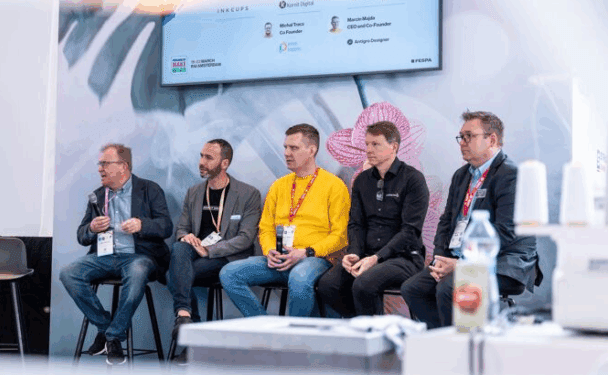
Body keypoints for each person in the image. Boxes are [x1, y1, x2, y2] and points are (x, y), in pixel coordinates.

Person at [401, 111, 542, 329]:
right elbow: (446, 221)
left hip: (504, 261)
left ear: (491, 139)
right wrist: (440, 258)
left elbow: (506, 232)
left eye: (469, 136)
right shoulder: (461, 175)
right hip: (458, 259)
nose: (462, 143)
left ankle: (461, 343)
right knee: (413, 289)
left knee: (448, 288)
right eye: (461, 137)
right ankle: (443, 337)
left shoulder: (511, 174)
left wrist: (462, 264)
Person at [220, 124, 350, 317]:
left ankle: (293, 333)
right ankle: (266, 327)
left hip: (314, 259)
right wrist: (270, 251)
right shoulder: (278, 186)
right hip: (279, 259)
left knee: (299, 278)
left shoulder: (334, 186)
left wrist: (305, 252)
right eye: (286, 147)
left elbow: (340, 237)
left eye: (294, 148)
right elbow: (265, 228)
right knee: (229, 273)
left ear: (312, 150)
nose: (287, 153)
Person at [60, 144, 173, 365]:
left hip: (138, 256)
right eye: (99, 164)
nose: (100, 168)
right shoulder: (97, 195)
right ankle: (108, 329)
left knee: (138, 270)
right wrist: (92, 228)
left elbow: (166, 226)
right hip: (104, 257)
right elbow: (82, 236)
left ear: (123, 166)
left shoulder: (149, 189)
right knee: (68, 273)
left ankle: (112, 336)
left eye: (105, 163)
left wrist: (142, 224)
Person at [317, 121, 429, 317]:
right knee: (328, 285)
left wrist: (377, 258)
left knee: (364, 283)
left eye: (375, 144)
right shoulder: (362, 180)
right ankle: (363, 324)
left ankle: (372, 329)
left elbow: (410, 231)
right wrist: (354, 253)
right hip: (366, 255)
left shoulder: (413, 179)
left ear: (393, 146)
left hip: (403, 258)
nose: (368, 149)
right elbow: (356, 224)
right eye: (367, 144)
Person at [167, 139, 261, 352]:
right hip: (193, 253)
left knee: (175, 276)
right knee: (179, 248)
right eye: (201, 156)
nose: (202, 162)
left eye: (209, 158)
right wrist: (186, 237)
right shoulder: (194, 192)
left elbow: (245, 238)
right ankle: (185, 317)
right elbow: (181, 229)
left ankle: (190, 341)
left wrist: (209, 250)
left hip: (227, 257)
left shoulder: (248, 194)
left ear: (224, 163)